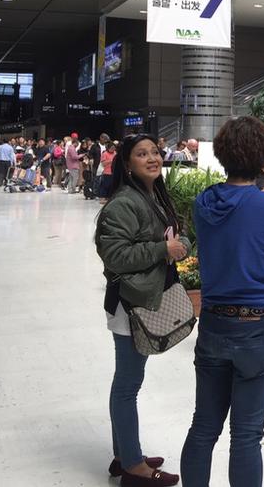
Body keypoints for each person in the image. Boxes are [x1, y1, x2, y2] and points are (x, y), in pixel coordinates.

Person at [181, 117, 264, 487]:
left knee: (204, 425)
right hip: (257, 327)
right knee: (246, 435)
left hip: (214, 322)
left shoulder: (205, 203)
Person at [94, 134, 189, 487]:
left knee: (127, 383)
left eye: (154, 152)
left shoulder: (151, 195)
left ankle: (124, 455)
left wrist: (178, 245)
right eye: (141, 154)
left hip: (143, 300)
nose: (152, 158)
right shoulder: (123, 204)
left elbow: (169, 237)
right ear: (127, 163)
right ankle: (133, 467)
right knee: (128, 385)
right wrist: (163, 250)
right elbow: (115, 257)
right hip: (128, 305)